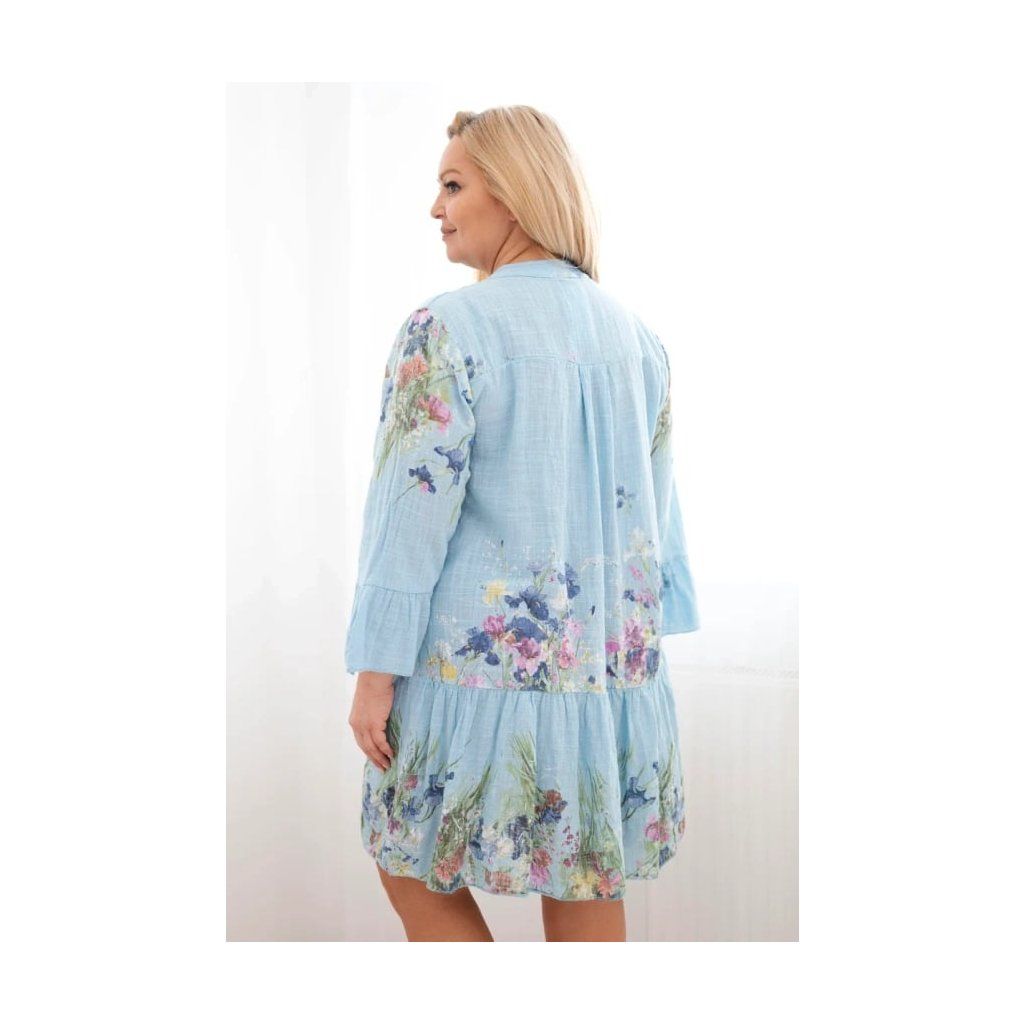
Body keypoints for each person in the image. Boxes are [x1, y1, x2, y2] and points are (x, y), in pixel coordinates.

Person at [345, 105, 699, 942]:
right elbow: (656, 516)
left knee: (407, 864)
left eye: (453, 185)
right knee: (586, 875)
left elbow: (409, 515)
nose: (436, 207)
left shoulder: (446, 329)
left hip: (471, 674)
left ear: (512, 193)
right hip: (608, 676)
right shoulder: (638, 339)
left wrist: (374, 671)